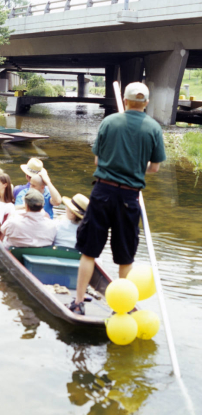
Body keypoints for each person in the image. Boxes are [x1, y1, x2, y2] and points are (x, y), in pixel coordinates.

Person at [70, 82, 166, 315]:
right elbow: (154, 168)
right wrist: (134, 165)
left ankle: (79, 302)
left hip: (102, 192)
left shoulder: (109, 122)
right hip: (129, 196)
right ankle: (122, 308)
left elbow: (97, 161)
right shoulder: (153, 128)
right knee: (125, 255)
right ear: (146, 103)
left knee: (89, 251)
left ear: (125, 101)